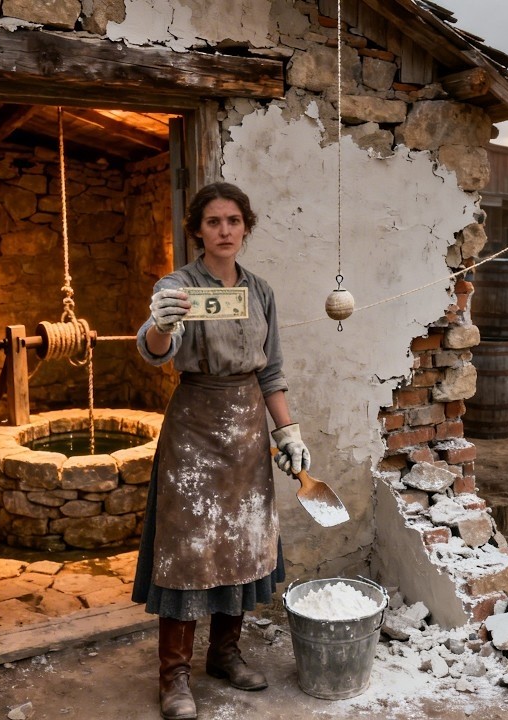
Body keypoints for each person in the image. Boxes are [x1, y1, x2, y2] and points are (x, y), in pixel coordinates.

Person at [135, 182, 308, 720]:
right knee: (186, 552)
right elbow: (155, 351)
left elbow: (270, 371)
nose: (225, 230)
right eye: (213, 222)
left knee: (242, 543)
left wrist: (288, 432)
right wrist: (161, 323)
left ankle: (224, 654)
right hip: (194, 431)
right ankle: (174, 677)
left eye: (233, 221)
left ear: (246, 228)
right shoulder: (178, 287)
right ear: (198, 230)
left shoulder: (261, 292)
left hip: (247, 431)